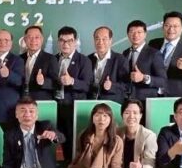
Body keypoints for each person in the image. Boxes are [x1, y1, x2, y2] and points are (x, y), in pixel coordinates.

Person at [55, 26, 92, 160]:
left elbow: (87, 86)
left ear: (75, 42)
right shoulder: (53, 59)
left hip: (72, 108)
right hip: (55, 106)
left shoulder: (84, 60)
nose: (65, 44)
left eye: (69, 40)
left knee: (72, 142)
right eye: (62, 40)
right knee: (55, 140)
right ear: (58, 42)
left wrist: (72, 81)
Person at [148, 11, 182, 97]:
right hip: (153, 94)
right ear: (163, 27)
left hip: (177, 96)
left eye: (175, 26)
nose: (171, 29)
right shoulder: (153, 43)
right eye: (167, 25)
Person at [123, 20, 166, 102]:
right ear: (128, 34)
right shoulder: (125, 53)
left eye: (139, 32)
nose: (135, 35)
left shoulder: (154, 53)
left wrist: (143, 78)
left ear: (145, 34)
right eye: (132, 32)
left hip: (146, 101)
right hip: (127, 100)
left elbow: (163, 81)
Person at [0, 29, 25, 125]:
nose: (3, 43)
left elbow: (20, 81)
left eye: (6, 40)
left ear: (11, 43)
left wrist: (9, 74)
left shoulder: (18, 60)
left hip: (8, 110)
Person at [88, 26, 129, 103]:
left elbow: (126, 85)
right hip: (90, 103)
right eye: (97, 39)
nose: (100, 42)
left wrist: (111, 86)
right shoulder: (88, 59)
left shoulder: (120, 59)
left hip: (111, 104)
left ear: (110, 40)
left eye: (104, 39)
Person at [21, 25, 59, 101]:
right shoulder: (20, 58)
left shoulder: (50, 59)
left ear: (42, 39)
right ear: (25, 40)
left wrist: (43, 81)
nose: (33, 40)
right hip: (21, 101)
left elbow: (56, 83)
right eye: (30, 37)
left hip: (41, 101)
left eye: (37, 37)